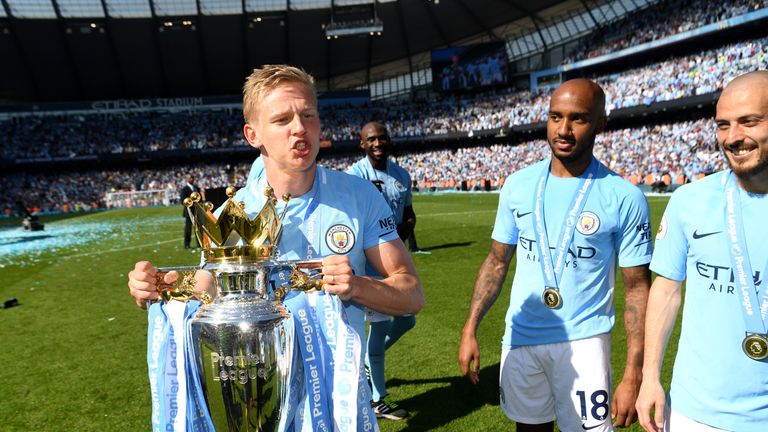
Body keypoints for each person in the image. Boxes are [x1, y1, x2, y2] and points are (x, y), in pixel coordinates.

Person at [128, 64, 424, 430]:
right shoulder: (230, 217)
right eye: (283, 119)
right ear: (253, 134)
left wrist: (357, 286)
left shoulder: (358, 197)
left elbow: (411, 294)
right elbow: (210, 291)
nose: (300, 128)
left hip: (339, 406)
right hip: (259, 406)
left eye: (308, 115)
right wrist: (164, 286)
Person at [457, 78, 653, 432]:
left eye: (578, 119)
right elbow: (496, 261)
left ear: (600, 124)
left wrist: (634, 372)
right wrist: (471, 327)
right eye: (555, 116)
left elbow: (638, 288)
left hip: (584, 343)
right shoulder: (518, 185)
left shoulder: (624, 197)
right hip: (520, 338)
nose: (563, 129)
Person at [635, 71, 768, 432]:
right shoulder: (688, 201)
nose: (733, 137)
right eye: (723, 125)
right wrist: (650, 377)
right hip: (693, 413)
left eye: (749, 121)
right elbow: (666, 290)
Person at [346, 121, 417, 420]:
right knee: (379, 327)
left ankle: (367, 362)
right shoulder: (355, 175)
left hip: (394, 263)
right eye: (371, 139)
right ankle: (379, 399)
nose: (378, 143)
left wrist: (405, 228)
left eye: (382, 138)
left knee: (407, 319)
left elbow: (410, 213)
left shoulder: (401, 175)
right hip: (370, 265)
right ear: (362, 143)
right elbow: (352, 221)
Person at [180, 174, 200, 249]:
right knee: (188, 229)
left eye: (192, 177)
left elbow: (199, 198)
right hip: (188, 212)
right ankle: (187, 245)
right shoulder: (184, 189)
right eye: (190, 178)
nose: (191, 179)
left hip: (197, 212)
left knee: (198, 229)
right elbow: (182, 200)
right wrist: (190, 202)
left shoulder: (196, 188)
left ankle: (199, 244)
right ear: (187, 179)